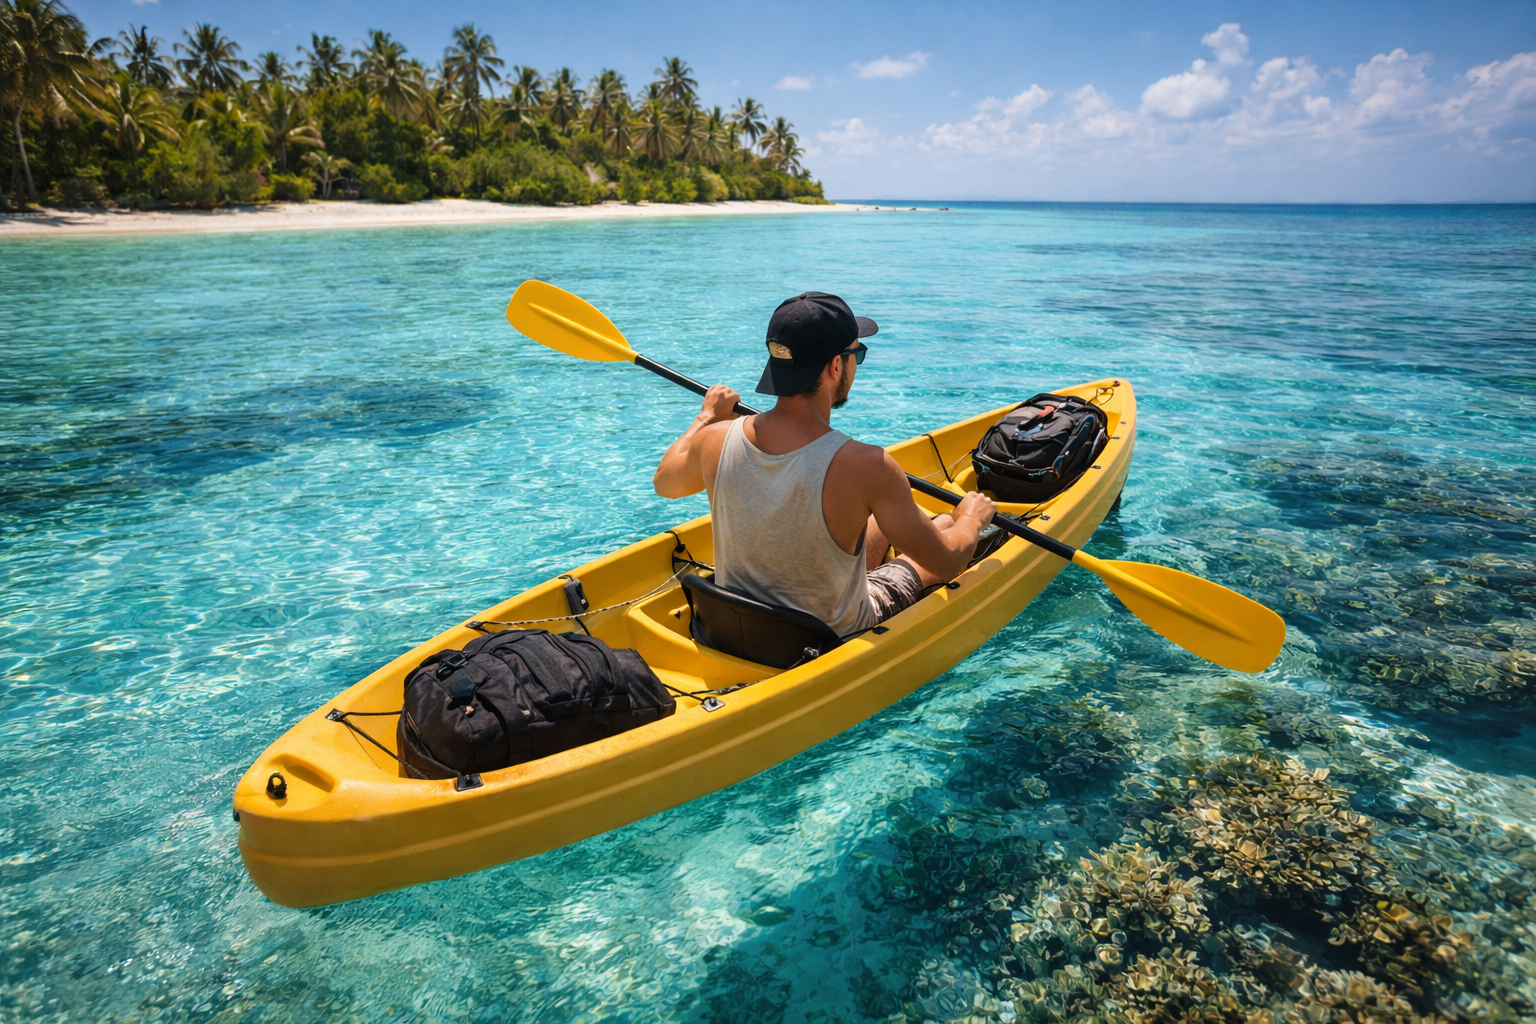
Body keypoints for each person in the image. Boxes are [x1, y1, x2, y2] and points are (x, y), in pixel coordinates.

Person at [653, 291, 997, 638]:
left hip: (737, 628)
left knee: (892, 519)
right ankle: (946, 524)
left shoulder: (713, 439)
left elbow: (665, 482)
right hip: (823, 637)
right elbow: (947, 562)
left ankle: (935, 526)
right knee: (942, 537)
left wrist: (705, 417)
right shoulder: (867, 466)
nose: (855, 364)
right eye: (856, 354)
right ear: (835, 365)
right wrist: (970, 519)